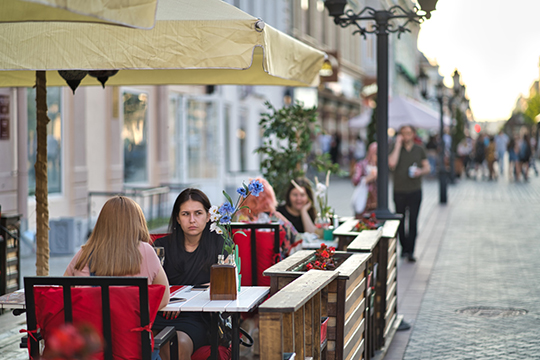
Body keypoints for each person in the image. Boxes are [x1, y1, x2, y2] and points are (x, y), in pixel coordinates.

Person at [64, 196, 171, 360]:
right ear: (137, 222)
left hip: (91, 350)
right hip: (133, 349)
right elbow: (164, 297)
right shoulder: (146, 252)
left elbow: (64, 292)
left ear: (102, 223)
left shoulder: (84, 254)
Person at [152, 188, 226, 360]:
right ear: (177, 218)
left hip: (196, 317)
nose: (192, 220)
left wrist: (181, 302)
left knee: (176, 345)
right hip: (161, 313)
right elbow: (151, 284)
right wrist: (169, 303)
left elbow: (224, 284)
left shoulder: (220, 244)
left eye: (198, 213)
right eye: (185, 214)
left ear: (208, 216)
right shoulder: (161, 246)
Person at [388, 125, 430, 262]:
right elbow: (392, 164)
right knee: (400, 221)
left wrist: (420, 172)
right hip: (399, 190)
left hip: (415, 190)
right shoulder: (395, 148)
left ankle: (410, 251)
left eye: (408, 133)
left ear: (413, 134)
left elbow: (427, 167)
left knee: (413, 221)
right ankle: (404, 248)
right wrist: (398, 145)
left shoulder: (419, 149)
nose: (406, 136)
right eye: (403, 133)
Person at [351, 142, 378, 218]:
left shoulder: (381, 165)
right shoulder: (362, 164)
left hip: (376, 200)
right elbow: (355, 180)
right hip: (364, 199)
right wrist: (366, 179)